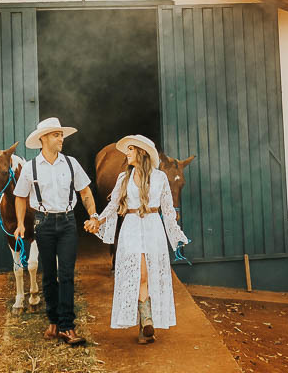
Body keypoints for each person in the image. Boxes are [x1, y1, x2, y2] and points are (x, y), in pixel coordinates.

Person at [84, 134, 189, 344]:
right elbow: (113, 205)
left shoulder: (160, 178)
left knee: (149, 276)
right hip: (131, 227)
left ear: (141, 152)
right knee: (140, 275)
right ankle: (147, 319)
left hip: (153, 227)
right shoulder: (124, 178)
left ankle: (145, 328)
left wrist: (176, 235)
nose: (127, 153)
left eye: (131, 149)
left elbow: (168, 211)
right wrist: (97, 221)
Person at [14, 117, 100, 346]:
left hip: (68, 223)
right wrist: (21, 224)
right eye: (56, 135)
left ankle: (67, 326)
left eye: (61, 134)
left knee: (67, 274)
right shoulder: (31, 168)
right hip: (43, 224)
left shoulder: (71, 164)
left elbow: (86, 192)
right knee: (49, 275)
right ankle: (53, 321)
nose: (61, 138)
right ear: (43, 139)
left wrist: (93, 215)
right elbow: (20, 196)